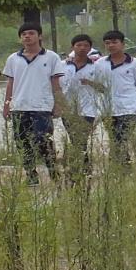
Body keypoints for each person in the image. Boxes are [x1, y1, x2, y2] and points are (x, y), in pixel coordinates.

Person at [3, 22, 64, 186]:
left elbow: (55, 82)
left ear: (39, 36)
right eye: (24, 34)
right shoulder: (13, 59)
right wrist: (7, 104)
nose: (27, 36)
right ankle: (31, 174)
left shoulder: (51, 57)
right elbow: (10, 82)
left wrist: (59, 103)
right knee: (22, 142)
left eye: (31, 33)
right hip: (19, 106)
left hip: (42, 106)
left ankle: (53, 170)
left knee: (42, 139)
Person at [91, 30, 136, 164]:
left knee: (121, 136)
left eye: (114, 42)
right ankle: (123, 164)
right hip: (108, 108)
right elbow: (100, 86)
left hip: (130, 107)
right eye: (107, 43)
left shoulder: (135, 63)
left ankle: (118, 164)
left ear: (122, 44)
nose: (111, 45)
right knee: (114, 138)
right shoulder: (100, 64)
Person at [61, 33, 102, 174]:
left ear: (90, 48)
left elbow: (104, 88)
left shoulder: (96, 67)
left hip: (88, 109)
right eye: (79, 45)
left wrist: (90, 82)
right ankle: (83, 165)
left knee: (81, 136)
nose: (82, 48)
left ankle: (81, 167)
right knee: (74, 137)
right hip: (68, 108)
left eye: (86, 45)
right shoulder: (63, 66)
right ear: (72, 47)